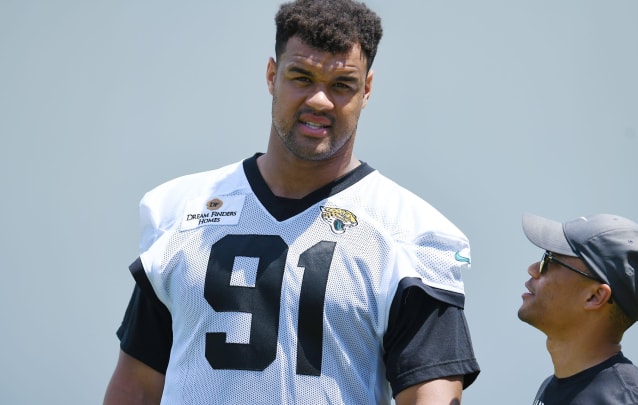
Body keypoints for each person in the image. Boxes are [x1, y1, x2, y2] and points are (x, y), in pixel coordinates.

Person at [103, 0, 480, 403]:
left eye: (341, 85)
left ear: (366, 89)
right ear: (272, 75)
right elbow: (137, 385)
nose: (319, 100)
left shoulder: (410, 234)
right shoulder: (182, 210)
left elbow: (431, 396)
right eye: (301, 77)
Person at [518, 212, 638, 405]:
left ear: (595, 296)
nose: (533, 268)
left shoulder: (628, 401)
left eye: (550, 259)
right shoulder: (552, 387)